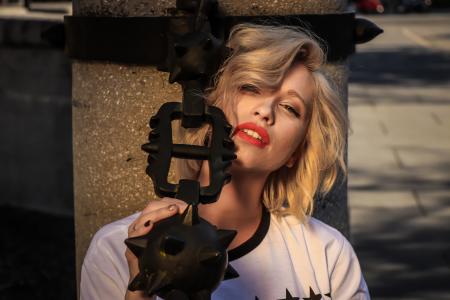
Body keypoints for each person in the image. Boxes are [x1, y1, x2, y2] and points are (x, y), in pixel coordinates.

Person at [80, 24, 370, 300]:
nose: (265, 111)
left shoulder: (327, 254)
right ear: (213, 102)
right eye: (251, 87)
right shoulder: (118, 249)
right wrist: (141, 288)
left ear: (296, 151)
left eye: (289, 108)